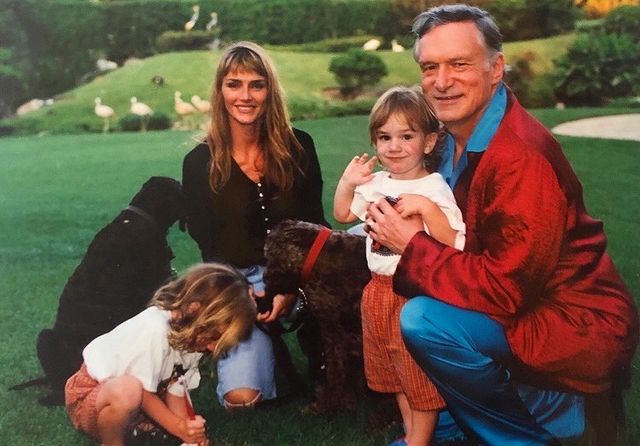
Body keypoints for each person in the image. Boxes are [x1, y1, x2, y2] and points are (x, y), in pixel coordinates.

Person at [364, 4, 639, 445]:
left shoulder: (518, 158)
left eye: (459, 64)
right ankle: (530, 407)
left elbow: (506, 289)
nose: (441, 81)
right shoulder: (454, 141)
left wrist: (413, 245)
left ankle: (529, 431)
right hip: (530, 308)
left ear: (496, 69)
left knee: (423, 320)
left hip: (575, 324)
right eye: (429, 67)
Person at [182, 41, 329, 408]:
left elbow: (315, 225)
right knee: (241, 399)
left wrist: (292, 285)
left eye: (256, 84)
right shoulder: (198, 162)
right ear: (220, 91)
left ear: (269, 91)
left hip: (301, 275)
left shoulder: (299, 147)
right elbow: (208, 247)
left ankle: (327, 359)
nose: (245, 96)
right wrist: (236, 294)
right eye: (234, 84)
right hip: (240, 284)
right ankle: (261, 348)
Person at [334, 86, 465, 446]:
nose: (394, 146)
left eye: (406, 136)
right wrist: (348, 183)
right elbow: (343, 213)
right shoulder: (375, 184)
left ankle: (419, 442)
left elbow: (456, 241)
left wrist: (426, 209)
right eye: (384, 137)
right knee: (394, 374)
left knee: (417, 375)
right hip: (376, 291)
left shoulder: (434, 187)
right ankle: (412, 436)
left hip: (412, 294)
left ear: (428, 141)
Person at [64, 263, 256, 446]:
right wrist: (178, 427)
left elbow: (176, 387)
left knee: (143, 399)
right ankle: (112, 442)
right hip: (94, 395)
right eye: (215, 336)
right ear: (195, 309)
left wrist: (190, 433)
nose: (213, 348)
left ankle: (140, 428)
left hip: (137, 405)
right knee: (129, 390)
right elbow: (145, 394)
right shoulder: (154, 328)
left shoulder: (195, 338)